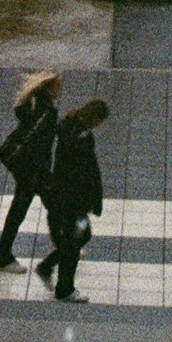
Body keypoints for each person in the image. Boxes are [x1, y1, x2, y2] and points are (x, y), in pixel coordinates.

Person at [36, 96, 108, 300]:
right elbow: (85, 171)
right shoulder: (81, 137)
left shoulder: (70, 127)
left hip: (63, 196)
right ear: (95, 119)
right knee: (74, 242)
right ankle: (64, 288)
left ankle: (49, 266)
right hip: (73, 200)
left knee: (79, 237)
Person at [0, 71, 61, 269]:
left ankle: (65, 244)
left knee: (49, 205)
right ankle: (4, 256)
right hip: (32, 170)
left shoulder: (36, 105)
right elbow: (35, 138)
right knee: (24, 210)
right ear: (50, 89)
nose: (61, 88)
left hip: (30, 168)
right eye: (58, 85)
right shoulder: (45, 111)